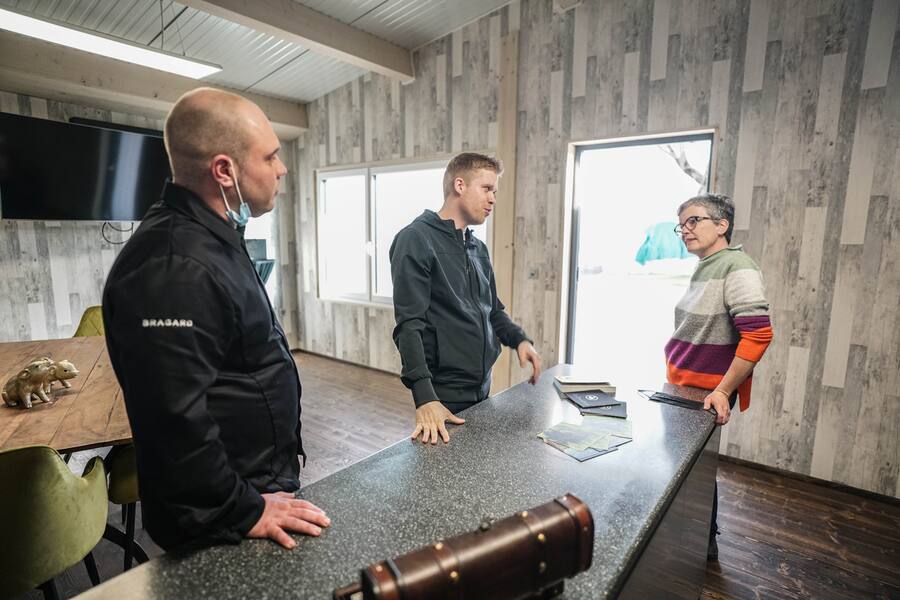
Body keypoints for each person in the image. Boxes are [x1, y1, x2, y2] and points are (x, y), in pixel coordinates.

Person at [103, 87, 329, 552]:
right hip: (223, 513)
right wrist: (244, 508)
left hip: (257, 485)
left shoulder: (215, 235)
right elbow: (173, 419)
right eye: (270, 157)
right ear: (225, 170)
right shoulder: (173, 267)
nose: (282, 169)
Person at [390, 152, 542, 445]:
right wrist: (424, 397)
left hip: (482, 390)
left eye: (494, 191)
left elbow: (493, 311)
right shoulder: (415, 239)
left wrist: (520, 340)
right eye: (486, 189)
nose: (493, 199)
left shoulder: (478, 248)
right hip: (442, 395)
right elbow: (409, 326)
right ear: (460, 185)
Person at [665, 192, 773, 560]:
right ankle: (694, 538)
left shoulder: (737, 265)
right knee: (689, 470)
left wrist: (724, 390)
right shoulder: (708, 264)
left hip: (703, 393)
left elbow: (759, 333)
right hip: (681, 386)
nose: (685, 230)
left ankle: (700, 545)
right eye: (682, 224)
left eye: (694, 221)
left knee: (693, 473)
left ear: (722, 225)